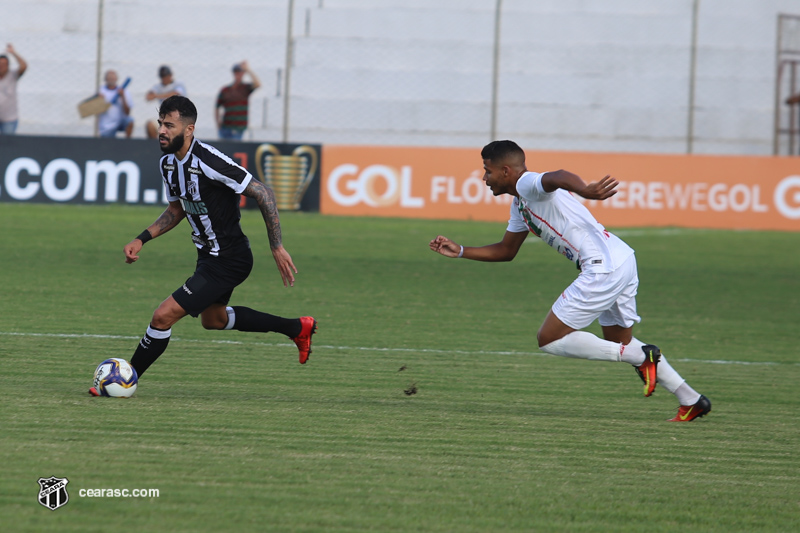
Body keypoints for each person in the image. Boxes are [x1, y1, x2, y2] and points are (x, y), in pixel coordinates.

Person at [429, 140, 711, 422]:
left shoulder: (527, 183)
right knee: (619, 339)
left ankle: (640, 358)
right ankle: (691, 399)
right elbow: (506, 250)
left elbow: (559, 176)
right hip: (621, 259)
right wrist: (462, 251)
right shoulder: (520, 204)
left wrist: (585, 189)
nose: (484, 178)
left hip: (602, 268)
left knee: (548, 339)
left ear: (505, 171)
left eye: (487, 171)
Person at [89, 95, 316, 395]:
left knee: (162, 315)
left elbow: (263, 192)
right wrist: (142, 238)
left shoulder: (210, 161)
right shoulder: (168, 164)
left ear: (189, 129)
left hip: (229, 259)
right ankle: (297, 328)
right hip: (208, 258)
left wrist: (276, 245)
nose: (161, 130)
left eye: (169, 125)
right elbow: (177, 209)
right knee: (214, 320)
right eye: (160, 123)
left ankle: (126, 379)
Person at [215, 61, 260, 140]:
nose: (238, 74)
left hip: (239, 128)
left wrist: (248, 70)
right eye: (236, 72)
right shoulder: (225, 90)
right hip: (226, 127)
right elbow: (217, 106)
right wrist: (218, 123)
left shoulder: (245, 88)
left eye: (240, 72)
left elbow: (257, 84)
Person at [144, 65, 187, 138]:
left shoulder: (178, 84)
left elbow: (176, 94)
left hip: (179, 118)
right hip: (164, 117)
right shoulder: (158, 86)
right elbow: (149, 96)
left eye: (166, 76)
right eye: (163, 76)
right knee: (150, 125)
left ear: (170, 75)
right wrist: (156, 95)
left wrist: (158, 96)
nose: (164, 78)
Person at [0, 44, 27, 135]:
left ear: (8, 65)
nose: (1, 66)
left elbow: (23, 66)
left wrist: (13, 53)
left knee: (7, 145)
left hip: (9, 119)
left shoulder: (12, 75)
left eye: (4, 64)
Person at [98, 69, 134, 138]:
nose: (111, 79)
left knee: (130, 121)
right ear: (105, 79)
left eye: (113, 77)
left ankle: (127, 143)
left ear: (116, 79)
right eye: (109, 77)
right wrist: (99, 101)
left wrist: (123, 97)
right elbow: (96, 110)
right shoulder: (101, 91)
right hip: (107, 126)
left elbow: (127, 112)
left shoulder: (124, 91)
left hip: (120, 121)